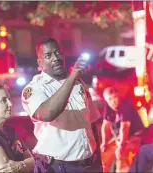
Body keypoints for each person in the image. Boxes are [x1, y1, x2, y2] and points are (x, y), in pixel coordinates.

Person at [21, 38, 101, 173]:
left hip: (88, 165)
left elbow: (91, 122)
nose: (55, 58)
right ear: (40, 62)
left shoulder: (78, 83)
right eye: (48, 55)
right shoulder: (34, 89)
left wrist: (98, 160)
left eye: (58, 53)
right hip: (57, 167)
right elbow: (47, 113)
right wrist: (72, 77)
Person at [100, 86, 145, 172]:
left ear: (118, 96)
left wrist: (121, 146)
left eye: (115, 97)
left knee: (121, 155)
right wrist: (104, 143)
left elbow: (125, 128)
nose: (113, 101)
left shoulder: (125, 106)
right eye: (110, 99)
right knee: (103, 155)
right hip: (119, 138)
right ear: (106, 100)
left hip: (134, 137)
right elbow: (105, 126)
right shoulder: (107, 108)